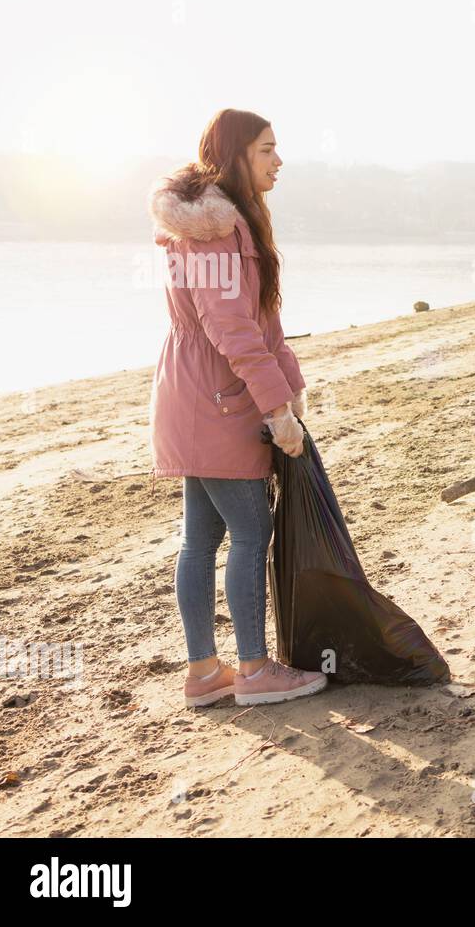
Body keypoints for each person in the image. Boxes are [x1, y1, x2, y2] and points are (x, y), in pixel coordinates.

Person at [148, 108, 328, 706]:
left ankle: (204, 675)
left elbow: (265, 326)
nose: (279, 161)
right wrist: (276, 411)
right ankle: (253, 669)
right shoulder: (218, 231)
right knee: (251, 530)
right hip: (220, 399)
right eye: (266, 150)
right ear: (236, 156)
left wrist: (290, 393)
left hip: (194, 394)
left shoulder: (227, 224)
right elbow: (233, 332)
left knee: (200, 539)